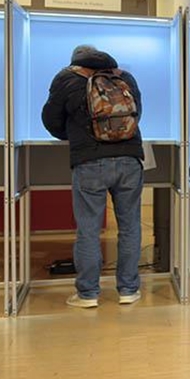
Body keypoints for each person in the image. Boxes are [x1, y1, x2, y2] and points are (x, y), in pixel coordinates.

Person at [42, 44, 145, 308]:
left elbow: (51, 121)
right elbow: (137, 115)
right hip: (129, 159)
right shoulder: (124, 77)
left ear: (75, 61)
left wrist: (76, 135)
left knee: (88, 229)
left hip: (89, 162)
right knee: (130, 227)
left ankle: (88, 294)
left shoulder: (66, 78)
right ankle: (129, 290)